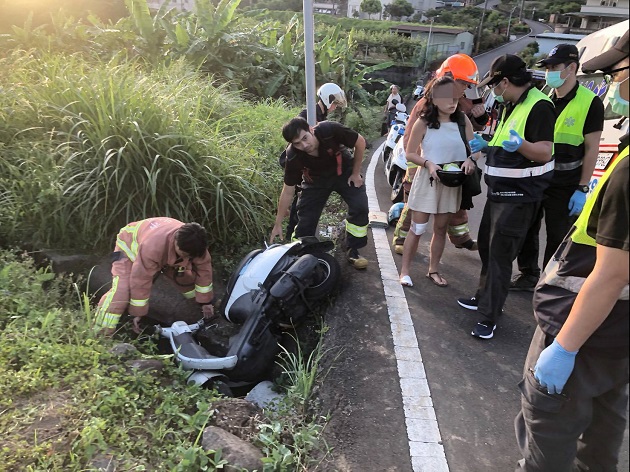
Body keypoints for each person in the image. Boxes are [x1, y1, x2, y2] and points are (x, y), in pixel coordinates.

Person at [514, 31, 629, 471]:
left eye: (617, 74)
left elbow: (612, 273)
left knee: (549, 430)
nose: (613, 85)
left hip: (587, 324)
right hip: (617, 337)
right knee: (603, 434)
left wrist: (563, 347)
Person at [457, 54, 556, 339]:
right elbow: (503, 141)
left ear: (506, 81)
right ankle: (483, 297)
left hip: (520, 196)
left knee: (501, 256)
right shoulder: (511, 104)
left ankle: (489, 318)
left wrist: (521, 145)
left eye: (494, 85)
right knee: (488, 250)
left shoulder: (540, 106)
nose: (492, 91)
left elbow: (544, 151)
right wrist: (487, 146)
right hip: (500, 192)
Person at [510, 44, 604, 292]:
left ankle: (549, 281)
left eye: (555, 67)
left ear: (572, 68)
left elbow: (592, 148)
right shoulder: (544, 97)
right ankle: (528, 274)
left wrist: (582, 188)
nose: (550, 72)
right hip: (538, 177)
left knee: (557, 236)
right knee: (528, 229)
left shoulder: (590, 102)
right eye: (548, 67)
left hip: (566, 182)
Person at [393, 54, 487, 255]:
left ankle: (462, 238)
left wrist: (482, 118)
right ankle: (401, 239)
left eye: (466, 85)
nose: (464, 89)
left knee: (456, 207)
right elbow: (411, 137)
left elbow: (468, 126)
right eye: (462, 82)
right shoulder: (425, 106)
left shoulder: (458, 102)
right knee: (415, 207)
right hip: (426, 168)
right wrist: (415, 168)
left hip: (452, 166)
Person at [398, 76, 478, 287]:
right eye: (447, 98)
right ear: (434, 98)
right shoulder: (423, 122)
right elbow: (410, 154)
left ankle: (433, 270)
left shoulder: (462, 120)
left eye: (455, 98)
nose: (452, 103)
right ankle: (405, 271)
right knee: (417, 228)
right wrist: (428, 164)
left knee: (441, 229)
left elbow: (477, 148)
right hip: (428, 180)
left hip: (452, 182)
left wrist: (471, 159)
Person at [270, 117, 369, 269]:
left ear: (311, 129)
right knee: (305, 219)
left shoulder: (329, 130)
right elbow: (288, 190)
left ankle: (352, 249)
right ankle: (300, 256)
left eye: (305, 138)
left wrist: (356, 173)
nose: (304, 145)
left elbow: (360, 142)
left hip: (343, 172)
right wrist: (277, 223)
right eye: (297, 143)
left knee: (360, 206)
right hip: (315, 181)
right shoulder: (293, 156)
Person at [93, 218, 215, 336]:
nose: (187, 259)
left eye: (190, 257)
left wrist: (206, 302)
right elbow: (141, 280)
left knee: (184, 278)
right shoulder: (152, 246)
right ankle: (100, 334)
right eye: (185, 255)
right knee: (122, 290)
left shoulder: (196, 244)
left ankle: (199, 307)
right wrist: (137, 313)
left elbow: (204, 271)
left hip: (163, 252)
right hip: (129, 247)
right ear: (176, 242)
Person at [281, 83, 348, 240]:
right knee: (300, 208)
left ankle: (297, 239)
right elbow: (297, 146)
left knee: (301, 206)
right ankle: (293, 241)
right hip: (299, 168)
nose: (335, 107)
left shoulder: (320, 115)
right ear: (327, 99)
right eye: (335, 103)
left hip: (306, 169)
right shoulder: (308, 116)